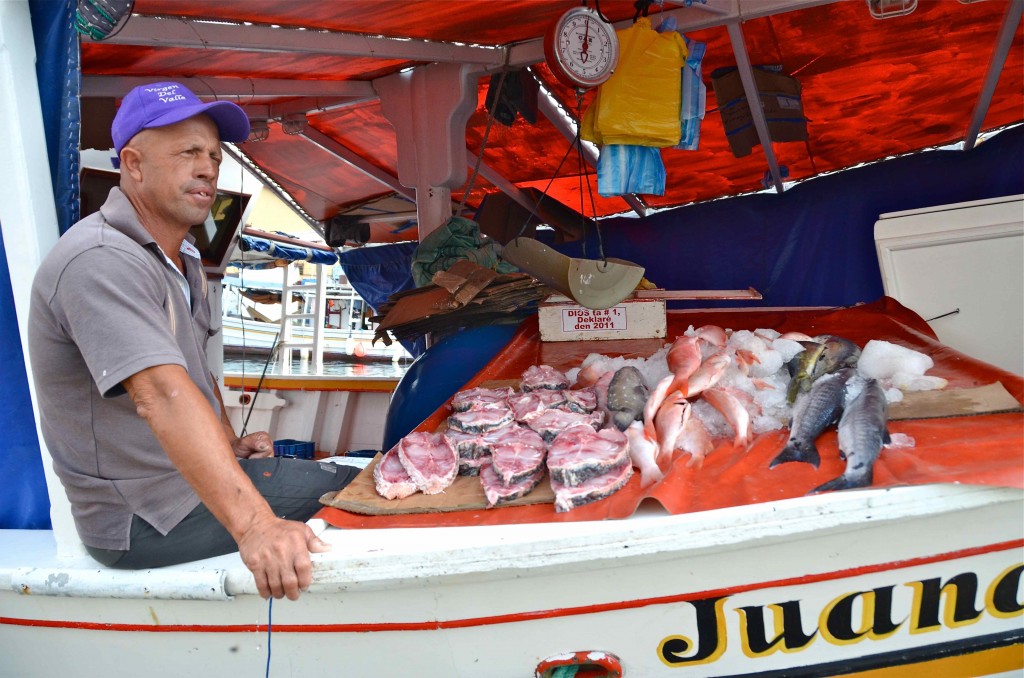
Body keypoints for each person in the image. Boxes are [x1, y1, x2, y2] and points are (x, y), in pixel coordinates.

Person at [28, 81, 359, 600]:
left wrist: (228, 447)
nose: (208, 168)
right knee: (358, 490)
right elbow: (160, 393)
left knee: (349, 477)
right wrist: (255, 527)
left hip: (178, 490)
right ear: (133, 164)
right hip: (142, 517)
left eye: (214, 155)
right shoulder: (100, 258)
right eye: (188, 153)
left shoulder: (179, 259)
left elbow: (193, 372)